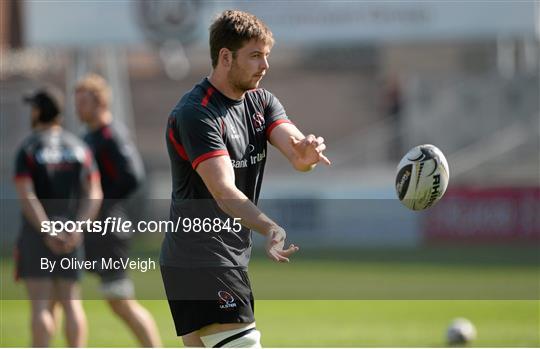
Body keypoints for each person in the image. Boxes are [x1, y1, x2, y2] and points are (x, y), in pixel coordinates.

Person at [161, 10, 330, 348]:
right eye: (255, 56)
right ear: (225, 57)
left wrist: (306, 155)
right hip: (202, 255)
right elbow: (224, 191)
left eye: (266, 56)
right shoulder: (197, 113)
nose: (264, 65)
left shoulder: (261, 101)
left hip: (214, 256)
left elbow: (297, 152)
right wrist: (270, 227)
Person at [74, 73, 162, 347]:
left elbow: (133, 176)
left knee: (121, 301)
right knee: (61, 290)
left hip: (107, 230)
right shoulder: (90, 136)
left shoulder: (112, 134)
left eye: (83, 102)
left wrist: (102, 206)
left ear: (100, 103)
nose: (78, 108)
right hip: (90, 228)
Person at [13, 85, 103, 347]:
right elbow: (94, 192)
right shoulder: (78, 147)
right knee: (72, 304)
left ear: (39, 111)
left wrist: (46, 230)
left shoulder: (28, 148)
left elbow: (26, 195)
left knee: (40, 305)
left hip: (36, 234)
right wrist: (78, 228)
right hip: (71, 234)